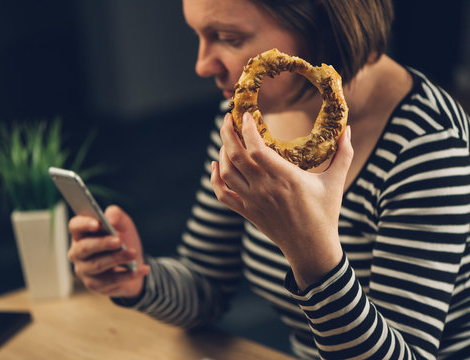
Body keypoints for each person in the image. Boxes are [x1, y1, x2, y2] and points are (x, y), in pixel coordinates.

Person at [68, 0, 470, 358]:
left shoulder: (428, 145)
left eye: (227, 37)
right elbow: (205, 286)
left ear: (324, 23)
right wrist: (137, 278)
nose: (202, 64)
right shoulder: (250, 115)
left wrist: (311, 251)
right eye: (199, 35)